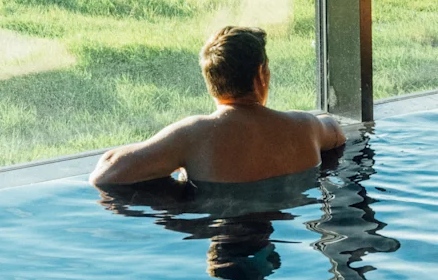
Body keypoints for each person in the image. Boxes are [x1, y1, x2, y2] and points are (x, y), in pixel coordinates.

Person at [89, 25, 346, 188]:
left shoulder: (195, 135)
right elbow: (336, 131)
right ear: (260, 74)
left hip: (221, 221)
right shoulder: (304, 127)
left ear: (210, 80)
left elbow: (105, 175)